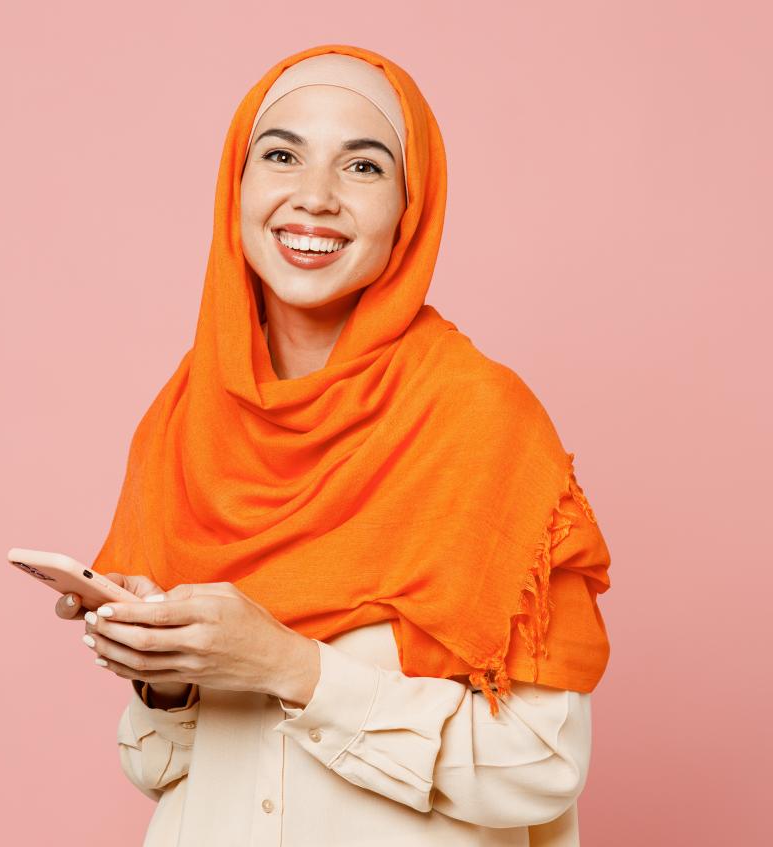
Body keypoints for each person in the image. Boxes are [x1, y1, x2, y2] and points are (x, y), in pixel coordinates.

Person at [54, 44, 611, 846]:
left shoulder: (481, 421)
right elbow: (161, 768)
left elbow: (541, 764)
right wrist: (166, 677)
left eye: (363, 166)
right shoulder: (183, 423)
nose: (314, 196)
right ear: (236, 184)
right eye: (282, 155)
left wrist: (291, 666)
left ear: (410, 207)